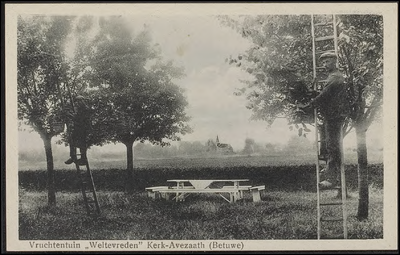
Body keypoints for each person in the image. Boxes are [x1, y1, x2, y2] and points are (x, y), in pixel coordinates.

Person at [298, 52, 349, 189]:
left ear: (334, 61)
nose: (325, 65)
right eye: (323, 63)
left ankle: (332, 179)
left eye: (327, 62)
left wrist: (308, 106)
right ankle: (328, 171)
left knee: (333, 146)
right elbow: (324, 95)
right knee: (327, 145)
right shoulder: (332, 77)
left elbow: (324, 96)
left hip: (334, 115)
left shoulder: (336, 77)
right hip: (330, 115)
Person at [64, 95, 92, 166]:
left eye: (79, 101)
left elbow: (78, 118)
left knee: (82, 144)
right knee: (72, 141)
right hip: (78, 128)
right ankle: (73, 157)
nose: (77, 103)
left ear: (82, 101)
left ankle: (83, 159)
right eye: (77, 102)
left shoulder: (85, 109)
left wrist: (70, 115)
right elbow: (76, 117)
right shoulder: (80, 109)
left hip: (83, 129)